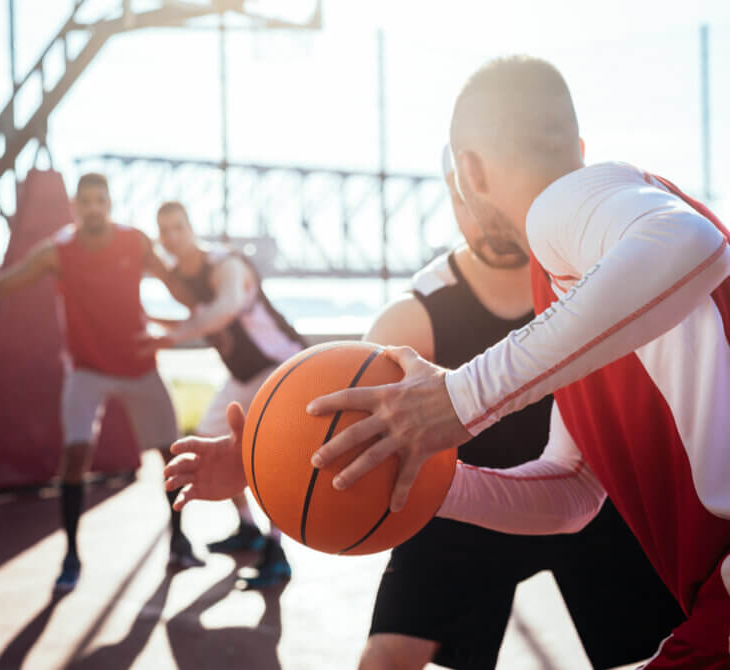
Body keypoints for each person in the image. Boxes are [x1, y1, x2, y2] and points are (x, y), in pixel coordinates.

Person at [163, 148, 682, 668]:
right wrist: (264, 464)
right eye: (466, 191)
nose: (485, 205)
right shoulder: (412, 317)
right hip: (451, 508)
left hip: (597, 499)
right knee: (385, 661)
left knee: (671, 652)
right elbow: (344, 436)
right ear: (456, 192)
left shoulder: (602, 286)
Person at [303, 57, 730, 664]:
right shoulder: (580, 278)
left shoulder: (568, 205)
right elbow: (572, 490)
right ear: (576, 146)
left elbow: (690, 243)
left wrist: (459, 398)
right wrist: (427, 482)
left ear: (469, 172)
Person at [0, 173, 204, 593]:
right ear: (74, 207)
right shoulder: (57, 251)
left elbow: (179, 288)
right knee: (74, 457)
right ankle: (71, 555)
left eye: (100, 200)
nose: (94, 208)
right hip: (87, 371)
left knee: (171, 453)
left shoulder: (135, 242)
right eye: (86, 201)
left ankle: (179, 539)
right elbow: (2, 285)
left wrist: (219, 302)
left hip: (139, 366)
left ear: (110, 204)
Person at [146, 200, 306, 589]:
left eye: (178, 227)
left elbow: (226, 308)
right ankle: (248, 528)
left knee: (273, 460)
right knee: (210, 444)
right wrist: (145, 320)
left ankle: (276, 551)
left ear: (191, 228)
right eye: (164, 231)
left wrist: (169, 338)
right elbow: (198, 319)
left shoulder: (226, 265)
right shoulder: (185, 279)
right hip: (243, 376)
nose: (172, 236)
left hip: (281, 367)